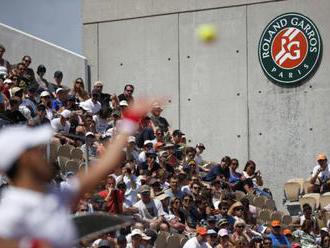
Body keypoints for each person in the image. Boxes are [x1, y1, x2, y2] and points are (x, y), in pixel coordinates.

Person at [0, 98, 154, 248]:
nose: (45, 153)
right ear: (25, 159)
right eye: (37, 150)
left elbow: (106, 164)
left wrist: (131, 119)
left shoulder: (56, 194)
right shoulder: (10, 213)